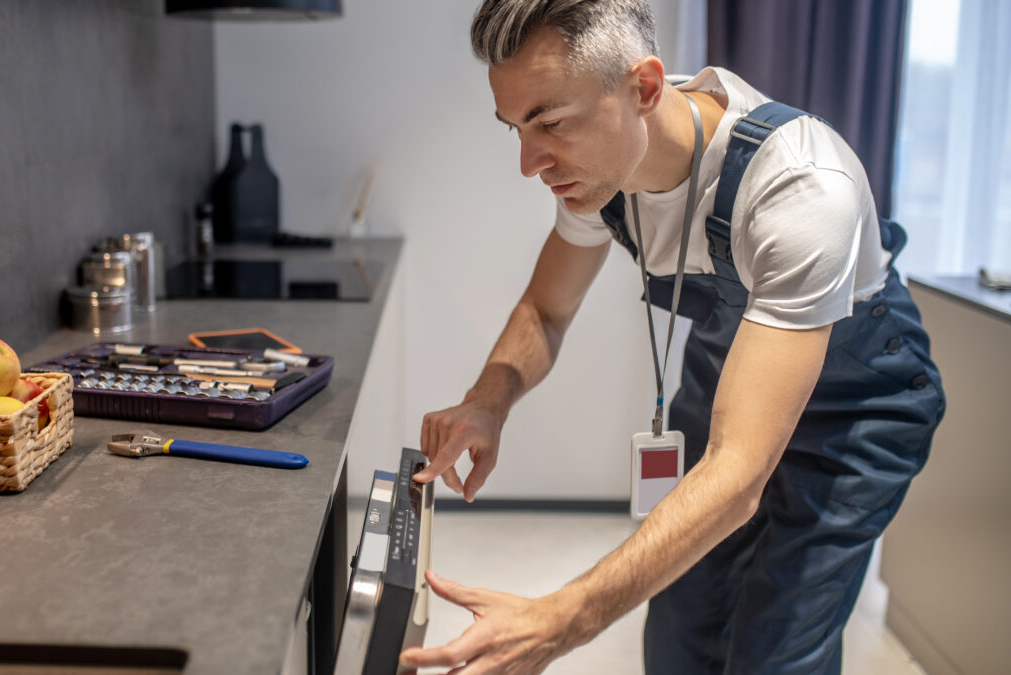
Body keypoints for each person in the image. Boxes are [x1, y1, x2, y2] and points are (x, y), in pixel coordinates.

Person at [397, 1, 946, 673]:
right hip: (727, 379)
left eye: (551, 122)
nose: (528, 162)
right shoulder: (602, 176)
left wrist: (559, 620)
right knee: (681, 638)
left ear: (645, 89)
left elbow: (738, 474)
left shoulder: (801, 189)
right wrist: (488, 400)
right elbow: (546, 310)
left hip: (854, 410)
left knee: (775, 648)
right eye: (515, 127)